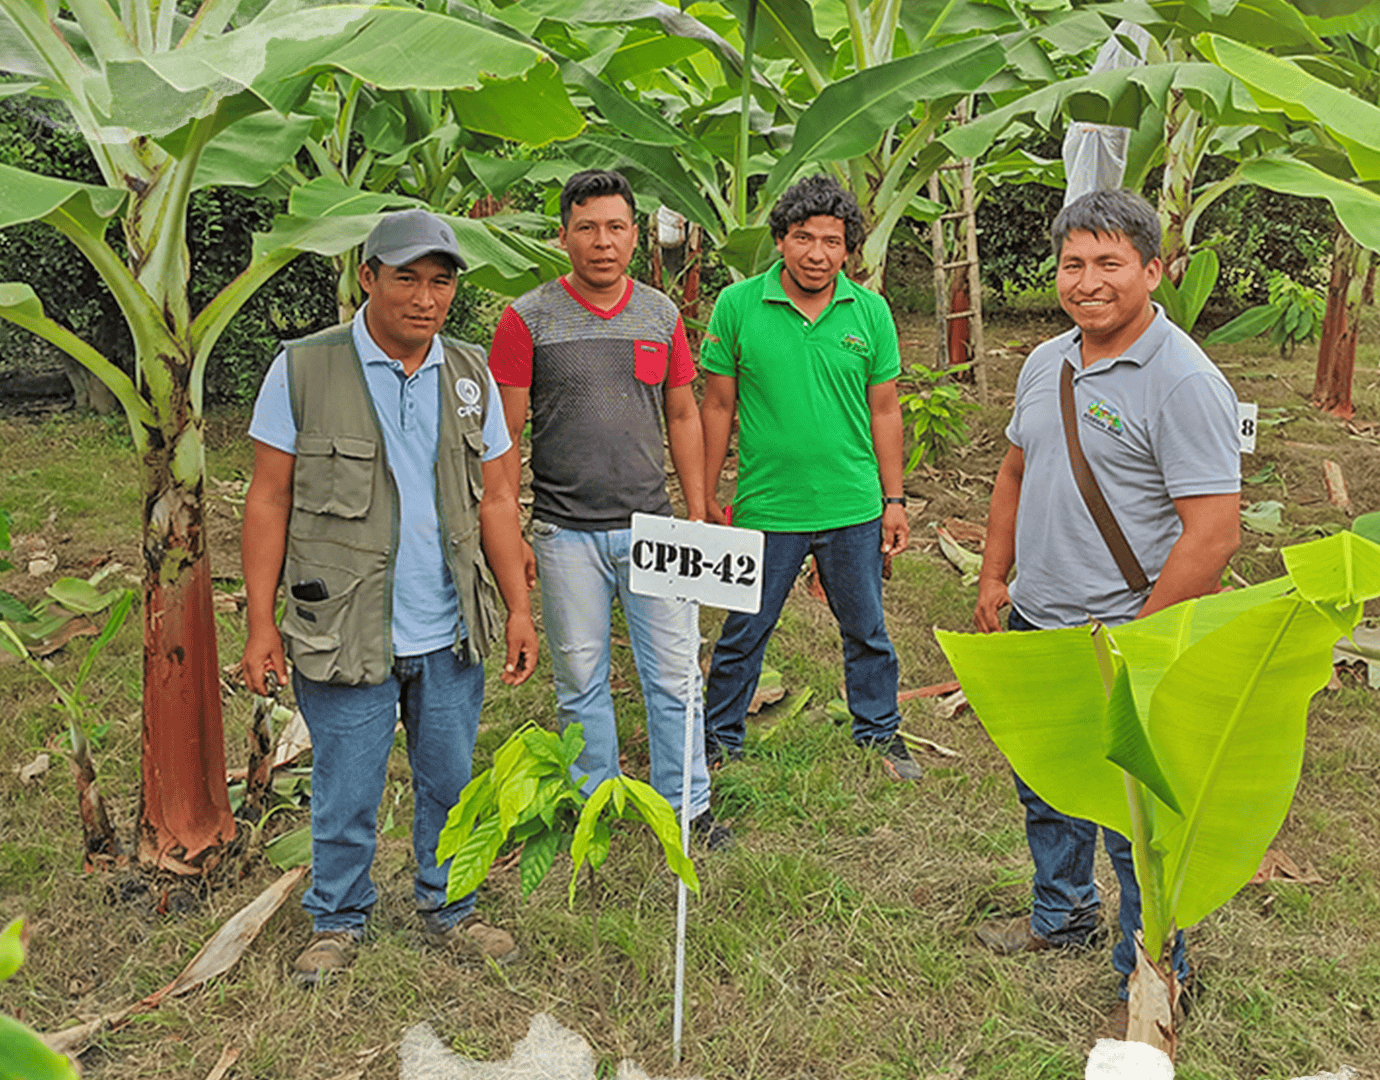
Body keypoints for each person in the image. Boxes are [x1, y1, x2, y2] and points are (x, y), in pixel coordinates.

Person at [241, 207, 539, 986]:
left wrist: (516, 607)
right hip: (344, 625)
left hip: (449, 626)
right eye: (405, 278)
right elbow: (268, 498)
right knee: (347, 784)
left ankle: (451, 904)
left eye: (440, 282)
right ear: (367, 277)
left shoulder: (470, 376)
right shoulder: (304, 369)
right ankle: (338, 918)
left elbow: (498, 502)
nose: (424, 298)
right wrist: (258, 622)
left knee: (449, 777)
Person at [970, 190, 1241, 1004]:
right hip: (1040, 616)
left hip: (1127, 628)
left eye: (1110, 264)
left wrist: (1142, 638)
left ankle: (1156, 971)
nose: (1088, 282)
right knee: (1048, 784)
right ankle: (1060, 914)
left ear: (1153, 271)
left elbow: (1214, 533)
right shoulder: (1045, 362)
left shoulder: (1184, 382)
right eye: (1074, 264)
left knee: (1136, 821)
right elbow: (1016, 470)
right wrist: (993, 574)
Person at [489, 169, 730, 850]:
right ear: (563, 235)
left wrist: (698, 504)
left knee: (676, 675)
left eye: (616, 227)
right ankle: (595, 800)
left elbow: (683, 413)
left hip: (654, 526)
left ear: (635, 235)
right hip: (565, 532)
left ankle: (688, 807)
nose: (602, 242)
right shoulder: (526, 318)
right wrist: (511, 527)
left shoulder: (660, 315)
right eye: (587, 228)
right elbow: (504, 435)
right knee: (581, 677)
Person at [698, 174, 922, 782]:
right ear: (780, 241)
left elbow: (885, 410)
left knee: (867, 628)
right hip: (768, 505)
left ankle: (879, 732)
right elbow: (716, 406)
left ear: (847, 248)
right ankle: (719, 739)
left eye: (831, 240)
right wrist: (703, 493)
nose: (817, 254)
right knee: (745, 630)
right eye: (803, 238)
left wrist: (893, 499)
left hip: (852, 502)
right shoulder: (738, 305)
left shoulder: (869, 311)